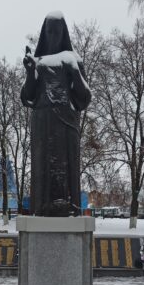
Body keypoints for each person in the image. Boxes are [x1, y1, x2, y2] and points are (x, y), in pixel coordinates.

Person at [21, 11, 92, 217]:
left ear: (63, 33)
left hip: (66, 122)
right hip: (43, 121)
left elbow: (84, 98)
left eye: (57, 31)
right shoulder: (38, 61)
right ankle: (41, 207)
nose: (53, 36)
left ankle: (69, 206)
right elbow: (28, 97)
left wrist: (75, 72)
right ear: (45, 33)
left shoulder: (72, 59)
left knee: (66, 164)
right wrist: (29, 72)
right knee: (42, 164)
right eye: (50, 31)